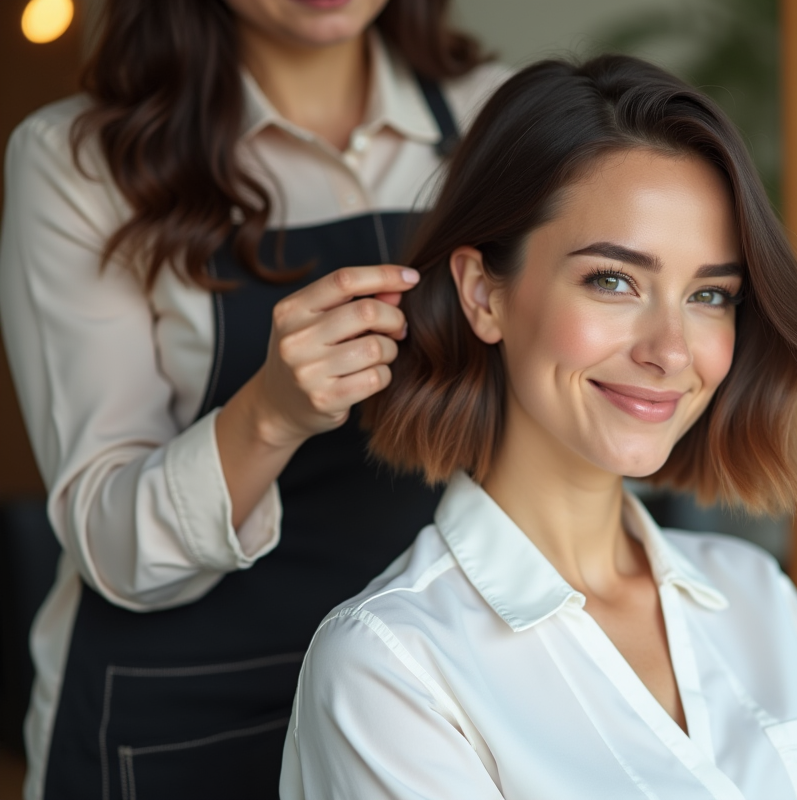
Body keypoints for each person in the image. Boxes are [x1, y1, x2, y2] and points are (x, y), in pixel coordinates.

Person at [281, 55, 797, 800]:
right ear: (484, 294)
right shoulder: (393, 666)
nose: (672, 350)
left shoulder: (756, 596)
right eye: (613, 281)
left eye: (710, 295)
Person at [0, 0, 506, 796]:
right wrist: (269, 414)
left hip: (432, 698)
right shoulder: (80, 162)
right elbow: (109, 541)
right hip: (181, 717)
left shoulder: (498, 118)